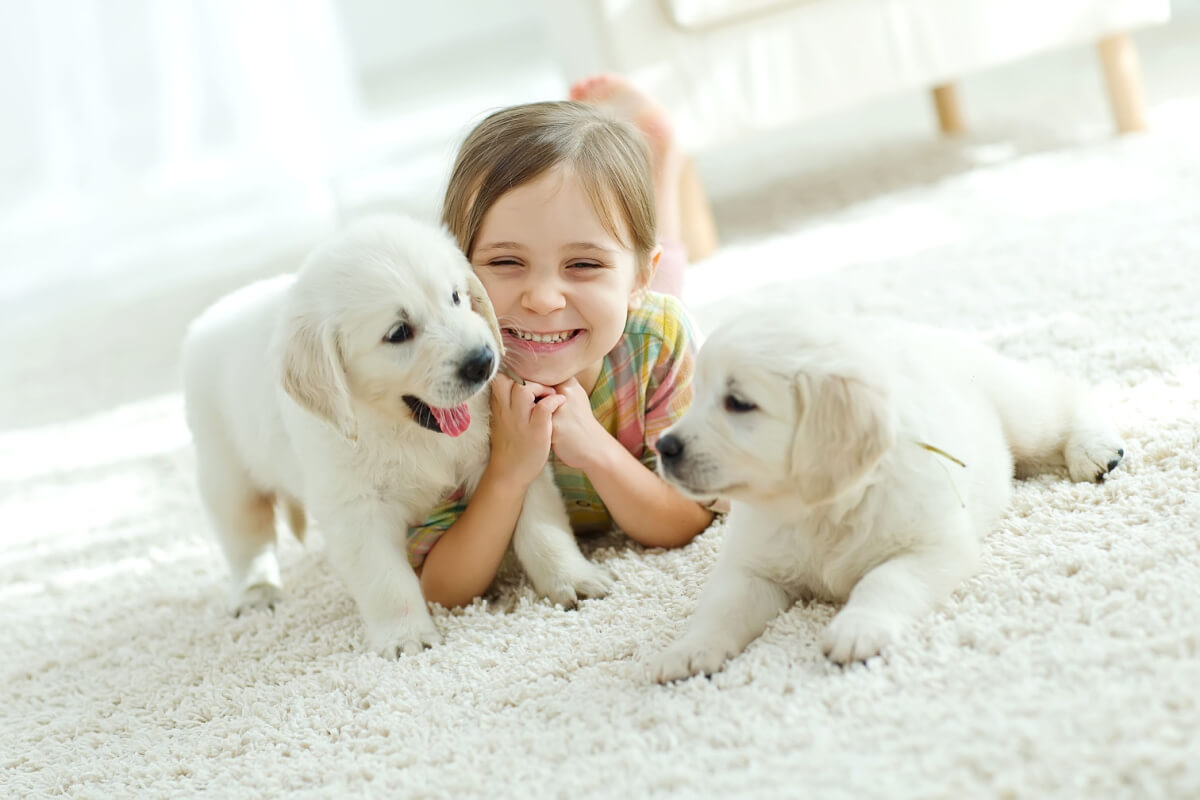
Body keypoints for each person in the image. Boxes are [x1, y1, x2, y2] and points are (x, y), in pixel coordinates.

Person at [412, 75, 715, 609]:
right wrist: (508, 470)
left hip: (635, 317)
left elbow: (688, 519)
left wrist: (595, 449)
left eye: (582, 263)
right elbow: (440, 587)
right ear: (452, 268)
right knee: (598, 306)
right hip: (600, 317)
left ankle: (660, 161)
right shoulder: (449, 376)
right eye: (506, 262)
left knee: (660, 300)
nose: (543, 298)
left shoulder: (659, 343)